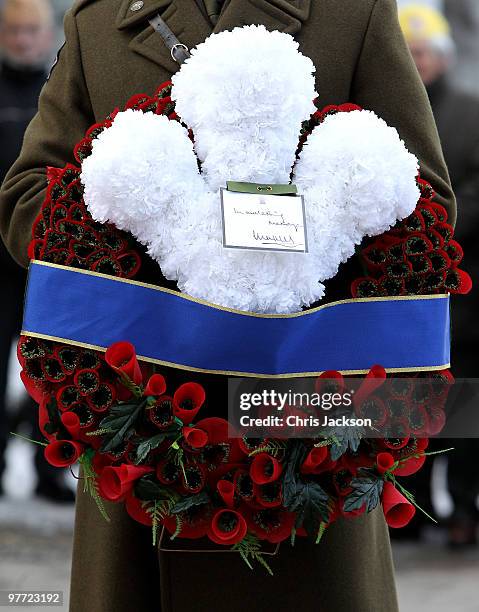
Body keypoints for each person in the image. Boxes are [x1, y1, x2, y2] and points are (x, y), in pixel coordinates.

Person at [0, 1, 456, 611]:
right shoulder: (102, 18)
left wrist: (299, 246)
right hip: (144, 422)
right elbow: (27, 194)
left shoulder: (354, 12)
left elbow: (419, 194)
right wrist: (157, 246)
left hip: (300, 417)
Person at [399, 3, 479, 547]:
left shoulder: (470, 112)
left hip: (465, 284)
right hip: (408, 282)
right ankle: (413, 502)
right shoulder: (388, 107)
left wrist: (441, 227)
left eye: (424, 52)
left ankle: (465, 505)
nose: (418, 62)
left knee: (465, 401)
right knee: (408, 399)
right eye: (409, 54)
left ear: (443, 55)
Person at [0, 0, 74, 502]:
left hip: (46, 263)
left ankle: (50, 471)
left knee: (53, 371)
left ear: (48, 36)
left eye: (31, 30)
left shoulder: (60, 98)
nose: (23, 39)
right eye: (13, 30)